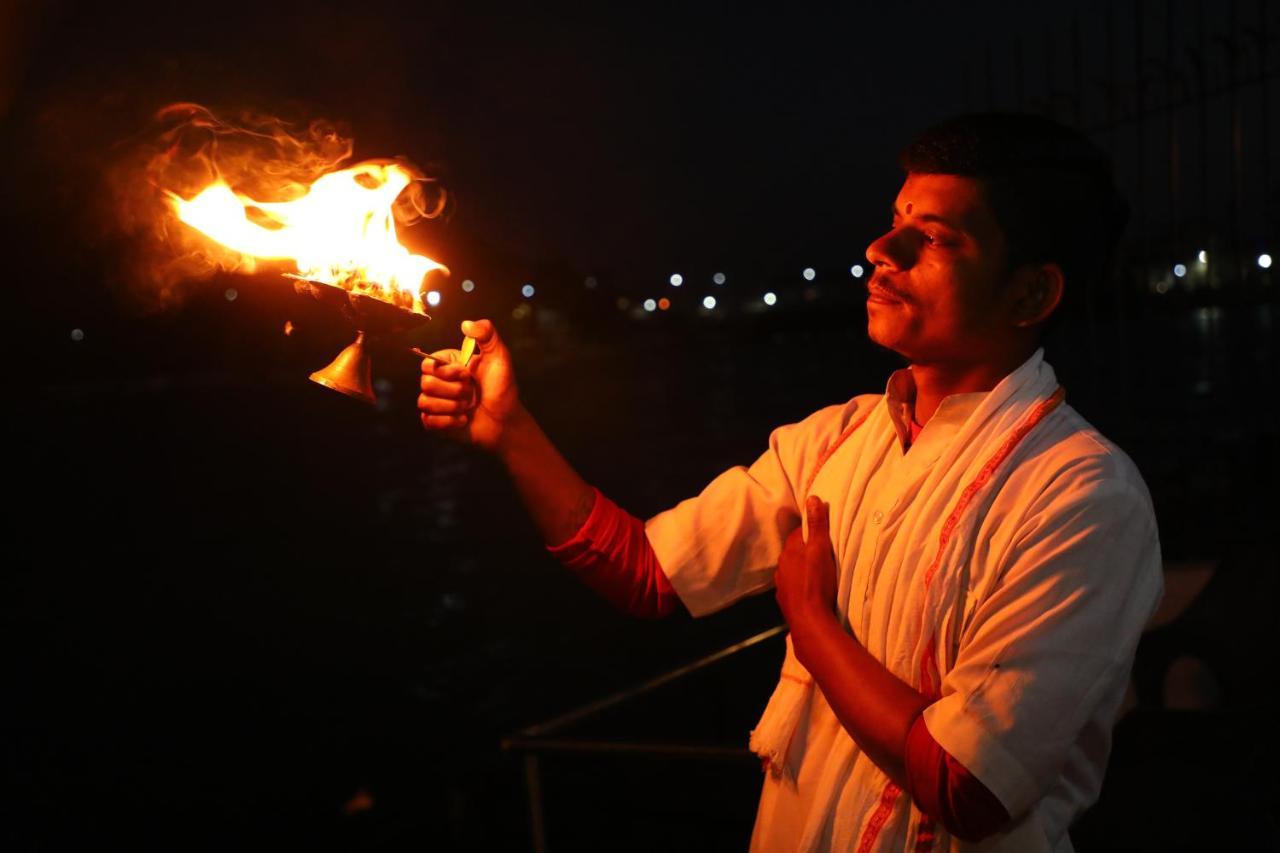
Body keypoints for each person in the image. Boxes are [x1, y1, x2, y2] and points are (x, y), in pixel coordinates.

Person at [417, 114, 1163, 852]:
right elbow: (646, 572)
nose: (881, 249)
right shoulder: (838, 438)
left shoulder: (1083, 496)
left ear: (1031, 295)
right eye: (894, 220)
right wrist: (511, 430)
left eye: (934, 238)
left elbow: (968, 784)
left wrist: (810, 619)